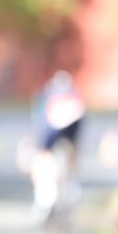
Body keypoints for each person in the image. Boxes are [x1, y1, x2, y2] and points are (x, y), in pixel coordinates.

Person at [29, 70, 85, 224]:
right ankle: (50, 196)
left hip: (60, 135)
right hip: (56, 134)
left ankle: (54, 194)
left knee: (49, 158)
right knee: (50, 161)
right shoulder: (55, 99)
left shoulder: (51, 98)